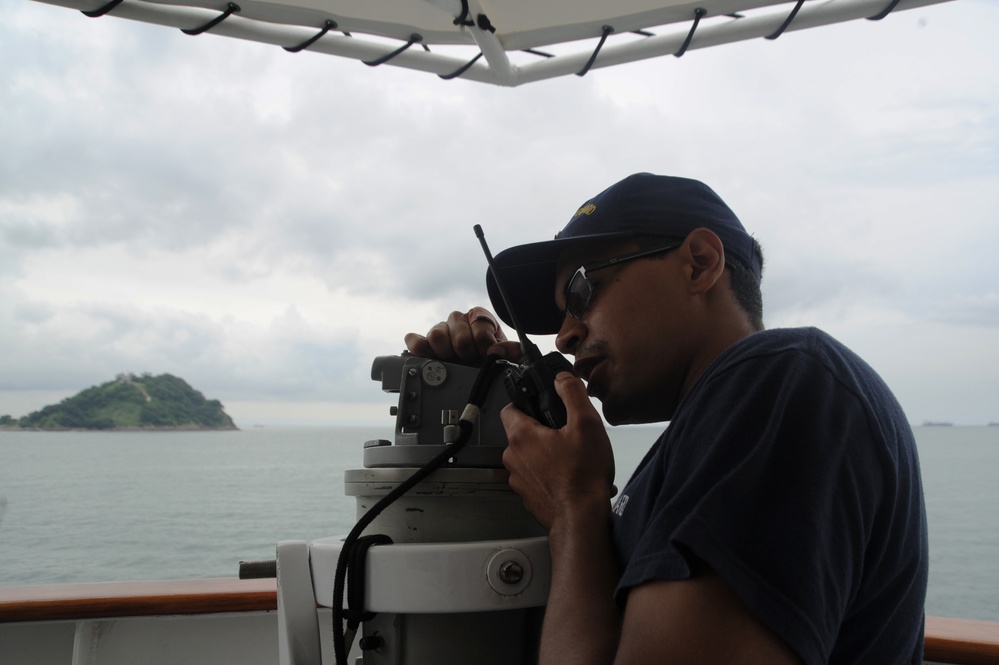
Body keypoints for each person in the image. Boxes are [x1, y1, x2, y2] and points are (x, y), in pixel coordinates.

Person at [405, 173, 927, 665]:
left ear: (699, 263)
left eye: (583, 292)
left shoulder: (780, 381)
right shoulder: (732, 421)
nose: (563, 336)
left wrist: (574, 507)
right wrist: (494, 393)